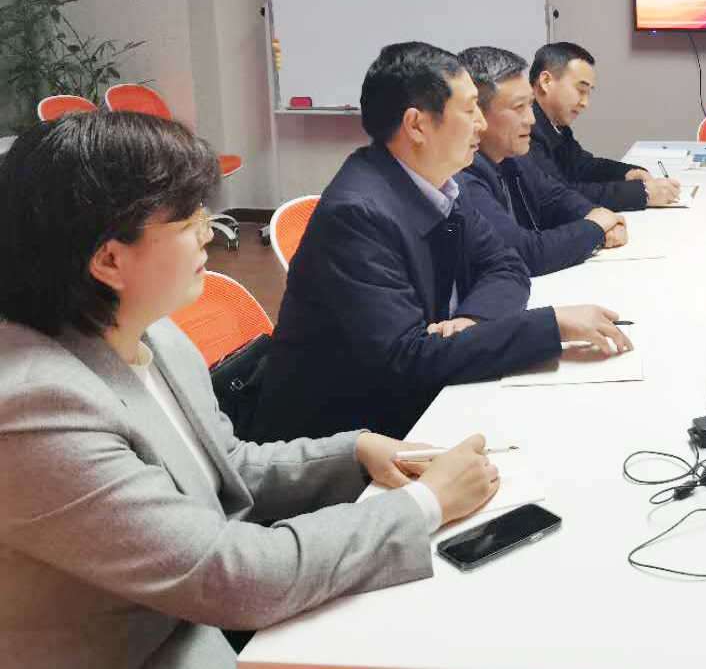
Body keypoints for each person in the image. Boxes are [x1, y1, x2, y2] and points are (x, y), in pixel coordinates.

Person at [0, 111, 503, 668]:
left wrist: (355, 452)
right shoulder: (37, 410)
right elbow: (229, 577)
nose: (210, 233)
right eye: (189, 219)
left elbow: (225, 469)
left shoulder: (153, 333)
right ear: (110, 259)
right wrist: (424, 505)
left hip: (206, 617)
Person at [250, 42, 631, 443]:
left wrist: (474, 323)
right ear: (417, 125)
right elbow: (407, 359)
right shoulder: (357, 215)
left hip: (420, 396)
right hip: (345, 437)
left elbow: (506, 263)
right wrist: (551, 325)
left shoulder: (441, 182)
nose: (481, 124)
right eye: (469, 110)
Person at [457, 46, 626, 275]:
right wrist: (595, 228)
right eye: (519, 107)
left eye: (530, 104)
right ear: (476, 114)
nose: (531, 119)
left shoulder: (514, 156)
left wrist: (598, 215)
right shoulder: (462, 174)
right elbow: (524, 252)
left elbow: (555, 196)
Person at [528, 41, 681, 209]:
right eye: (580, 90)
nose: (585, 103)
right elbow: (560, 195)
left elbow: (584, 166)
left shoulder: (555, 125)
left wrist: (627, 173)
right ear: (546, 81)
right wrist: (642, 192)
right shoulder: (526, 129)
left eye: (588, 93)